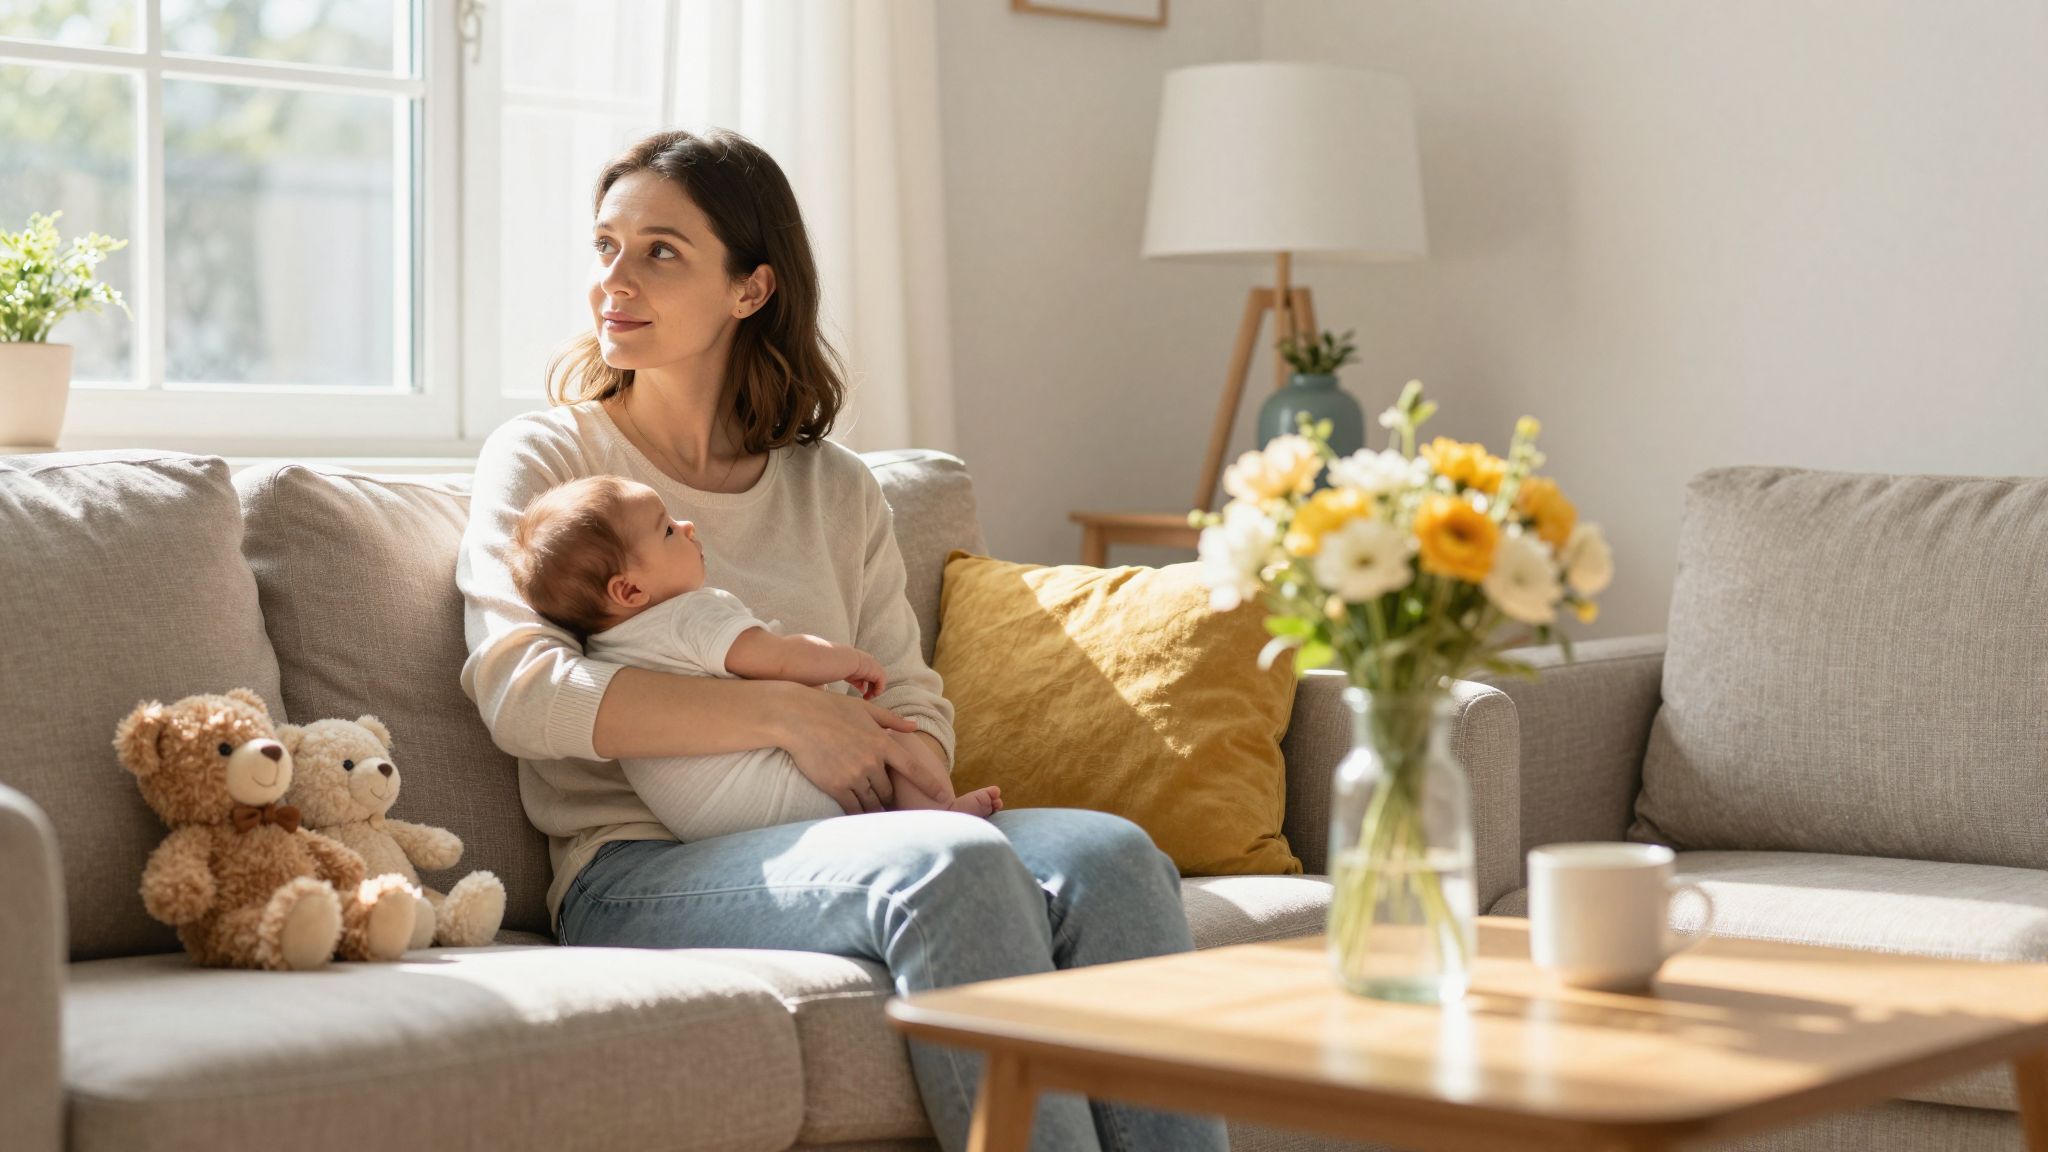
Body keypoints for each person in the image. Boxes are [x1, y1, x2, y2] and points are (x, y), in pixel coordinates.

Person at [455, 126, 1226, 1152]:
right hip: (634, 869)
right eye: (606, 246)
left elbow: (910, 694)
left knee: (1113, 856)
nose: (615, 279)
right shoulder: (552, 453)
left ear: (750, 288)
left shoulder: (835, 487)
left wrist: (905, 769)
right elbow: (523, 693)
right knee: (947, 864)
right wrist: (786, 713)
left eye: (660, 251)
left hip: (846, 829)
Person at [506, 472, 1003, 841]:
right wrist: (849, 662)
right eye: (667, 532)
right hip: (776, 803)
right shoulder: (687, 615)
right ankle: (937, 818)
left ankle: (925, 828)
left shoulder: (609, 647)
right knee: (892, 737)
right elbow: (777, 658)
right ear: (631, 589)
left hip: (708, 827)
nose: (687, 525)